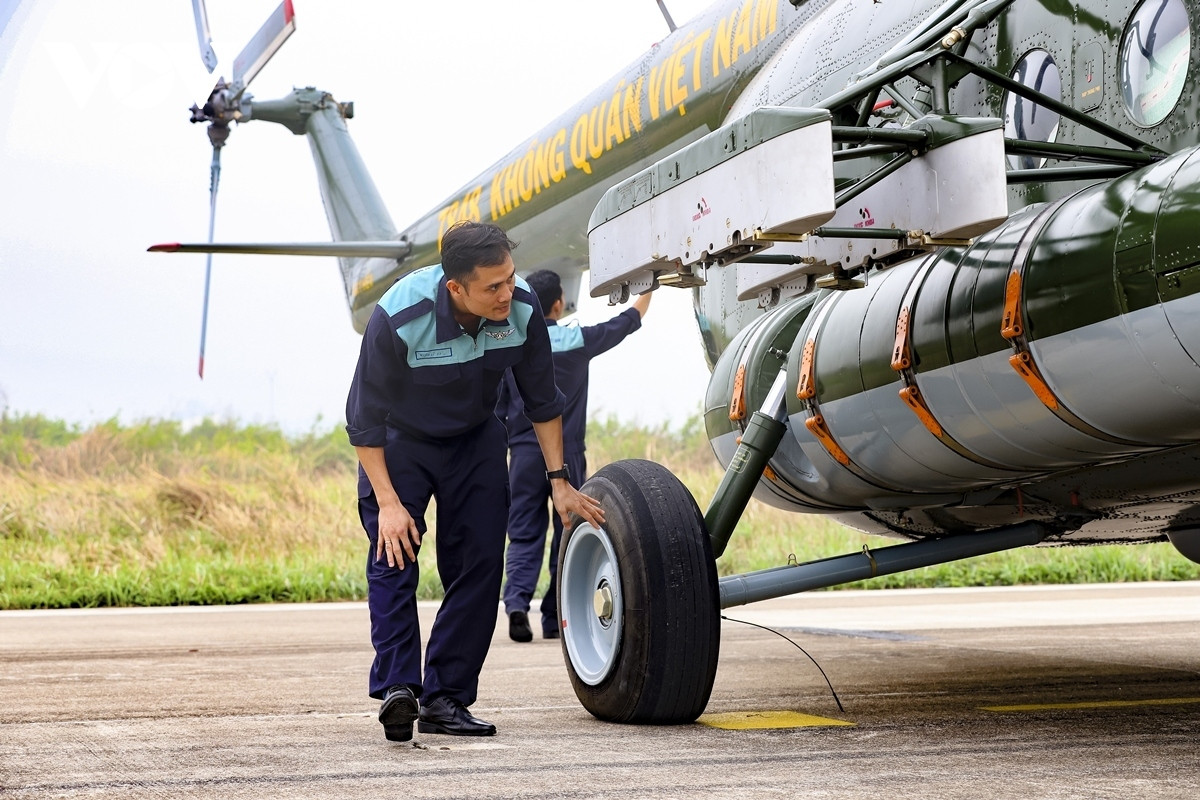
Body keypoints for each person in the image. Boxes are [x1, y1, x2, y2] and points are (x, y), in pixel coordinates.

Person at [345, 222, 605, 743]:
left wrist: (559, 480)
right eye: (494, 286)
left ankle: (445, 698)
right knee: (393, 550)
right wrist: (390, 503)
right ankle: (399, 687)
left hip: (477, 437)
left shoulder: (524, 308)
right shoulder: (401, 315)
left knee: (482, 562)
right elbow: (364, 420)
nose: (508, 292)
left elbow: (542, 400)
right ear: (455, 288)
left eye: (510, 278)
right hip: (401, 441)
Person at [497, 270, 651, 642]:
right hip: (567, 456)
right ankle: (554, 616)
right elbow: (628, 321)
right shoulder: (578, 339)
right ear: (557, 304)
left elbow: (498, 408)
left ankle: (517, 602)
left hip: (522, 455)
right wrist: (651, 285)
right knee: (566, 531)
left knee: (522, 534)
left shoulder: (510, 343)